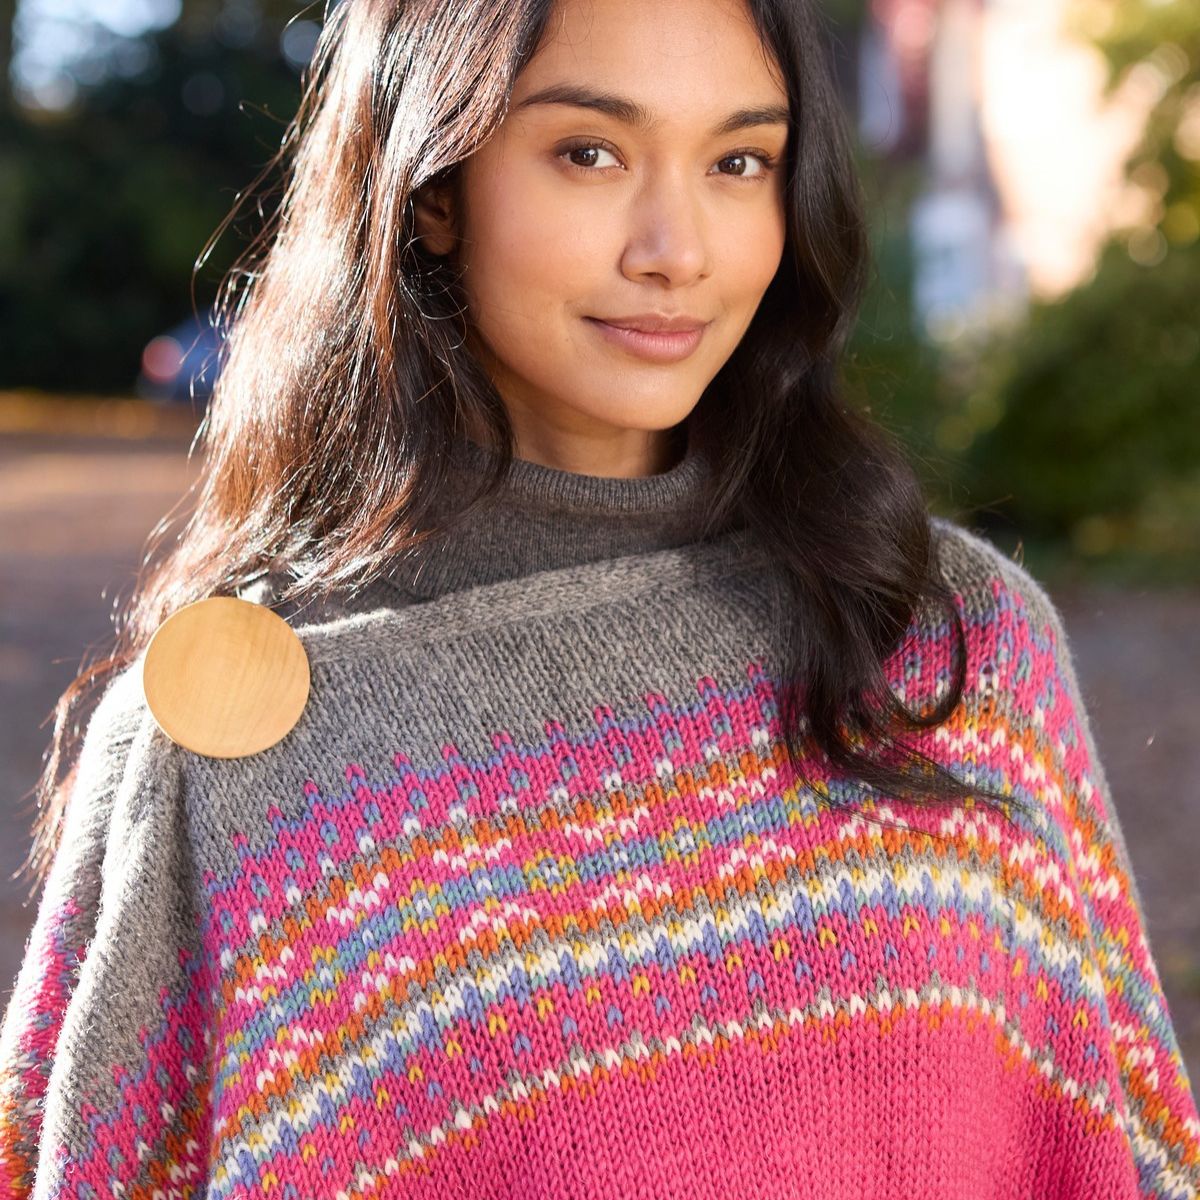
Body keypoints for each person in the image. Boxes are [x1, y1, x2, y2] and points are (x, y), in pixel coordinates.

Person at [2, 0, 1198, 1195]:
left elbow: (1120, 1148)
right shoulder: (240, 746)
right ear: (432, 186)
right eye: (591, 152)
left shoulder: (944, 641)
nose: (677, 247)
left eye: (741, 161)